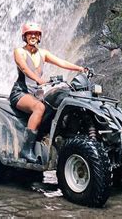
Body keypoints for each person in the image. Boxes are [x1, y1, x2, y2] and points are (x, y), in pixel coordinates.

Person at [9, 22, 86, 163]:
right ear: (24, 37)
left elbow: (61, 62)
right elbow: (25, 69)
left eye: (36, 33)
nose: (33, 36)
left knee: (58, 101)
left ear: (39, 37)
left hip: (35, 94)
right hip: (20, 93)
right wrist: (40, 80)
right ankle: (26, 150)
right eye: (30, 33)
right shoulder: (19, 52)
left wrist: (79, 68)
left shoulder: (43, 53)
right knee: (39, 107)